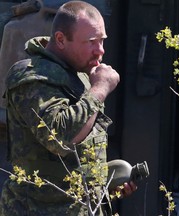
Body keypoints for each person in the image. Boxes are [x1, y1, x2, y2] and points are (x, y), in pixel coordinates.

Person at [0, 1, 136, 215]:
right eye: (92, 42)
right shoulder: (32, 77)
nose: (100, 51)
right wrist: (100, 89)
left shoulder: (81, 75)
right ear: (61, 40)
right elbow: (61, 138)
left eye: (102, 41)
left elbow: (78, 152)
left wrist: (104, 183)